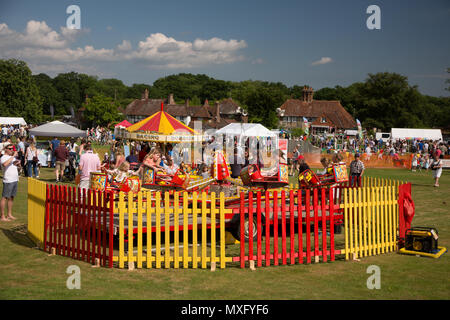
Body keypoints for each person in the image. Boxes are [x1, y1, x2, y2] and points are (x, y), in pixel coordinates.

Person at [1, 143, 19, 221]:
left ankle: (9, 214)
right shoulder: (3, 157)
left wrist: (18, 164)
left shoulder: (11, 157)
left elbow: (13, 165)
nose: (12, 150)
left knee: (11, 198)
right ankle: (2, 216)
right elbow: (5, 164)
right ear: (6, 149)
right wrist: (13, 157)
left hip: (15, 179)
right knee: (4, 197)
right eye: (10, 149)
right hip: (8, 180)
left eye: (12, 149)